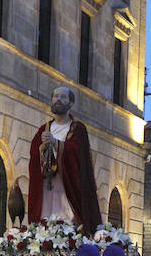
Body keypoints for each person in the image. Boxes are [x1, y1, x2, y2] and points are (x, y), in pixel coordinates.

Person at [27, 86, 102, 233]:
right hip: (47, 188)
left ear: (71, 103)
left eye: (63, 97)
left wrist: (56, 144)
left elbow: (78, 155)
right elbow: (34, 159)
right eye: (55, 97)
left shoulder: (78, 129)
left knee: (67, 221)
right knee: (47, 220)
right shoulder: (43, 130)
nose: (58, 100)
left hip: (68, 188)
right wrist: (42, 149)